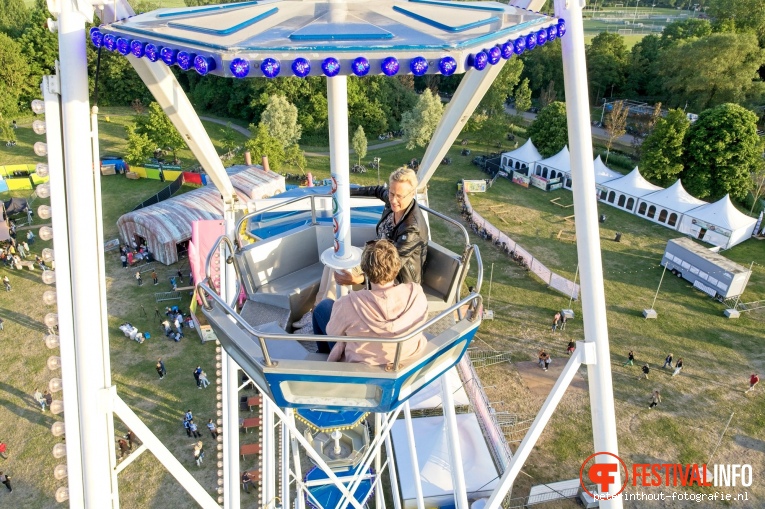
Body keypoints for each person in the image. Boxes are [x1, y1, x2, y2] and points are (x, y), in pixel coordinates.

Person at [314, 240, 428, 366]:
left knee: (322, 307)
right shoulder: (416, 292)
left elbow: (331, 332)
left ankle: (322, 359)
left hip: (363, 364)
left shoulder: (347, 304)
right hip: (407, 354)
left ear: (365, 271)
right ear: (396, 267)